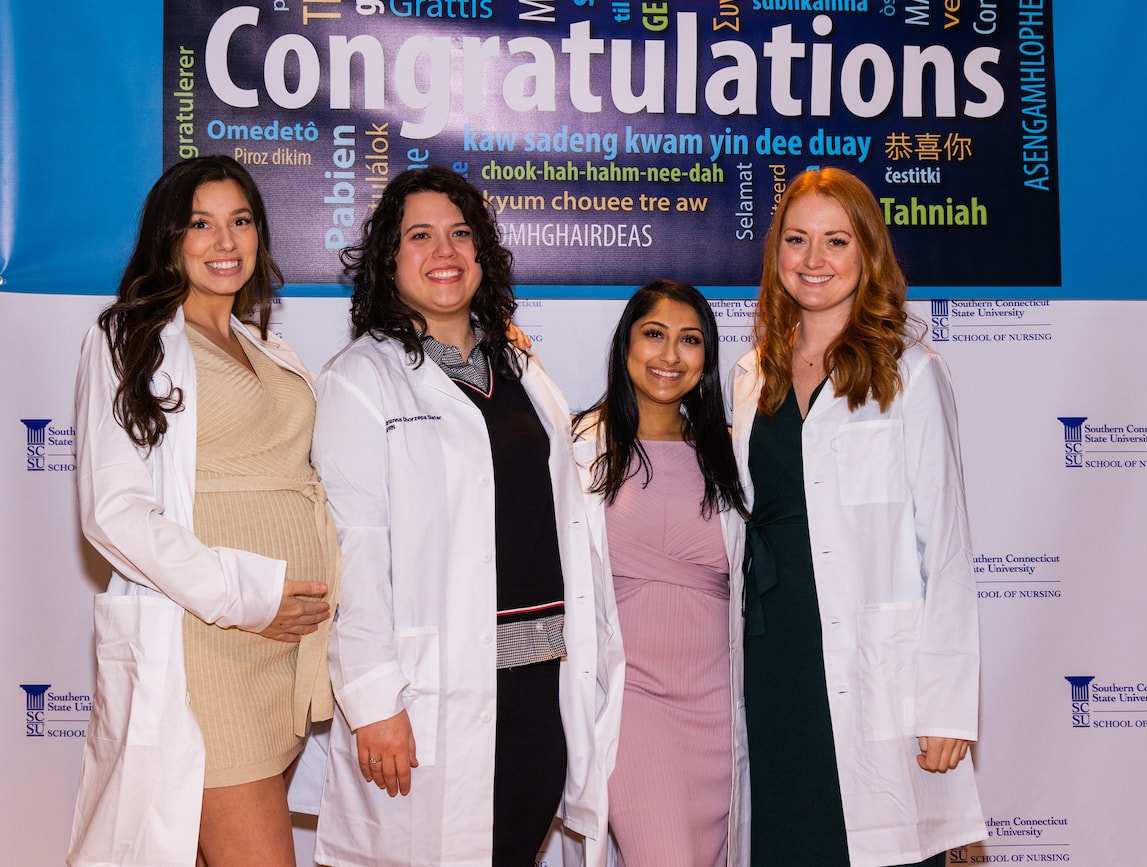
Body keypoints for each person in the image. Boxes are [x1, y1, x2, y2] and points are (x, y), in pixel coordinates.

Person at [311, 166, 623, 867]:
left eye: (460, 233)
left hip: (537, 682)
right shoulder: (361, 379)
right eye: (419, 236)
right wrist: (371, 698)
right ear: (390, 260)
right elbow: (354, 551)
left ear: (483, 253)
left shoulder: (518, 367)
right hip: (431, 689)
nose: (444, 250)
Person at [69, 155, 338, 867]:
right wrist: (246, 597)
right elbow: (114, 512)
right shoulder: (128, 338)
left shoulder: (268, 346)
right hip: (206, 643)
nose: (226, 241)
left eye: (241, 221)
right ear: (170, 238)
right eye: (201, 223)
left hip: (283, 652)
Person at [729, 167, 985, 867]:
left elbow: (948, 549)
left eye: (835, 241)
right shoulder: (752, 373)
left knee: (882, 844)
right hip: (775, 652)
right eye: (797, 240)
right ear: (775, 252)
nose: (813, 261)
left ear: (867, 251)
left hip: (879, 662)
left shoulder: (911, 372)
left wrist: (947, 704)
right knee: (789, 836)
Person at [572, 280, 750, 867]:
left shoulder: (731, 456)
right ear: (626, 345)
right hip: (633, 705)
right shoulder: (580, 448)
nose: (670, 357)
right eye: (654, 335)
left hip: (719, 708)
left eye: (689, 341)